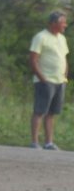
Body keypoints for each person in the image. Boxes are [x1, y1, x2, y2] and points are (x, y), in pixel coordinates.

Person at [29, 11, 69, 150]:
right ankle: (34, 141)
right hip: (45, 80)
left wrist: (65, 76)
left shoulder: (62, 38)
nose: (65, 25)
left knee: (52, 113)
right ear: (53, 24)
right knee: (40, 110)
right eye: (62, 22)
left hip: (60, 81)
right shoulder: (40, 37)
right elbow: (33, 60)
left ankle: (49, 142)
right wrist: (42, 79)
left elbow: (64, 58)